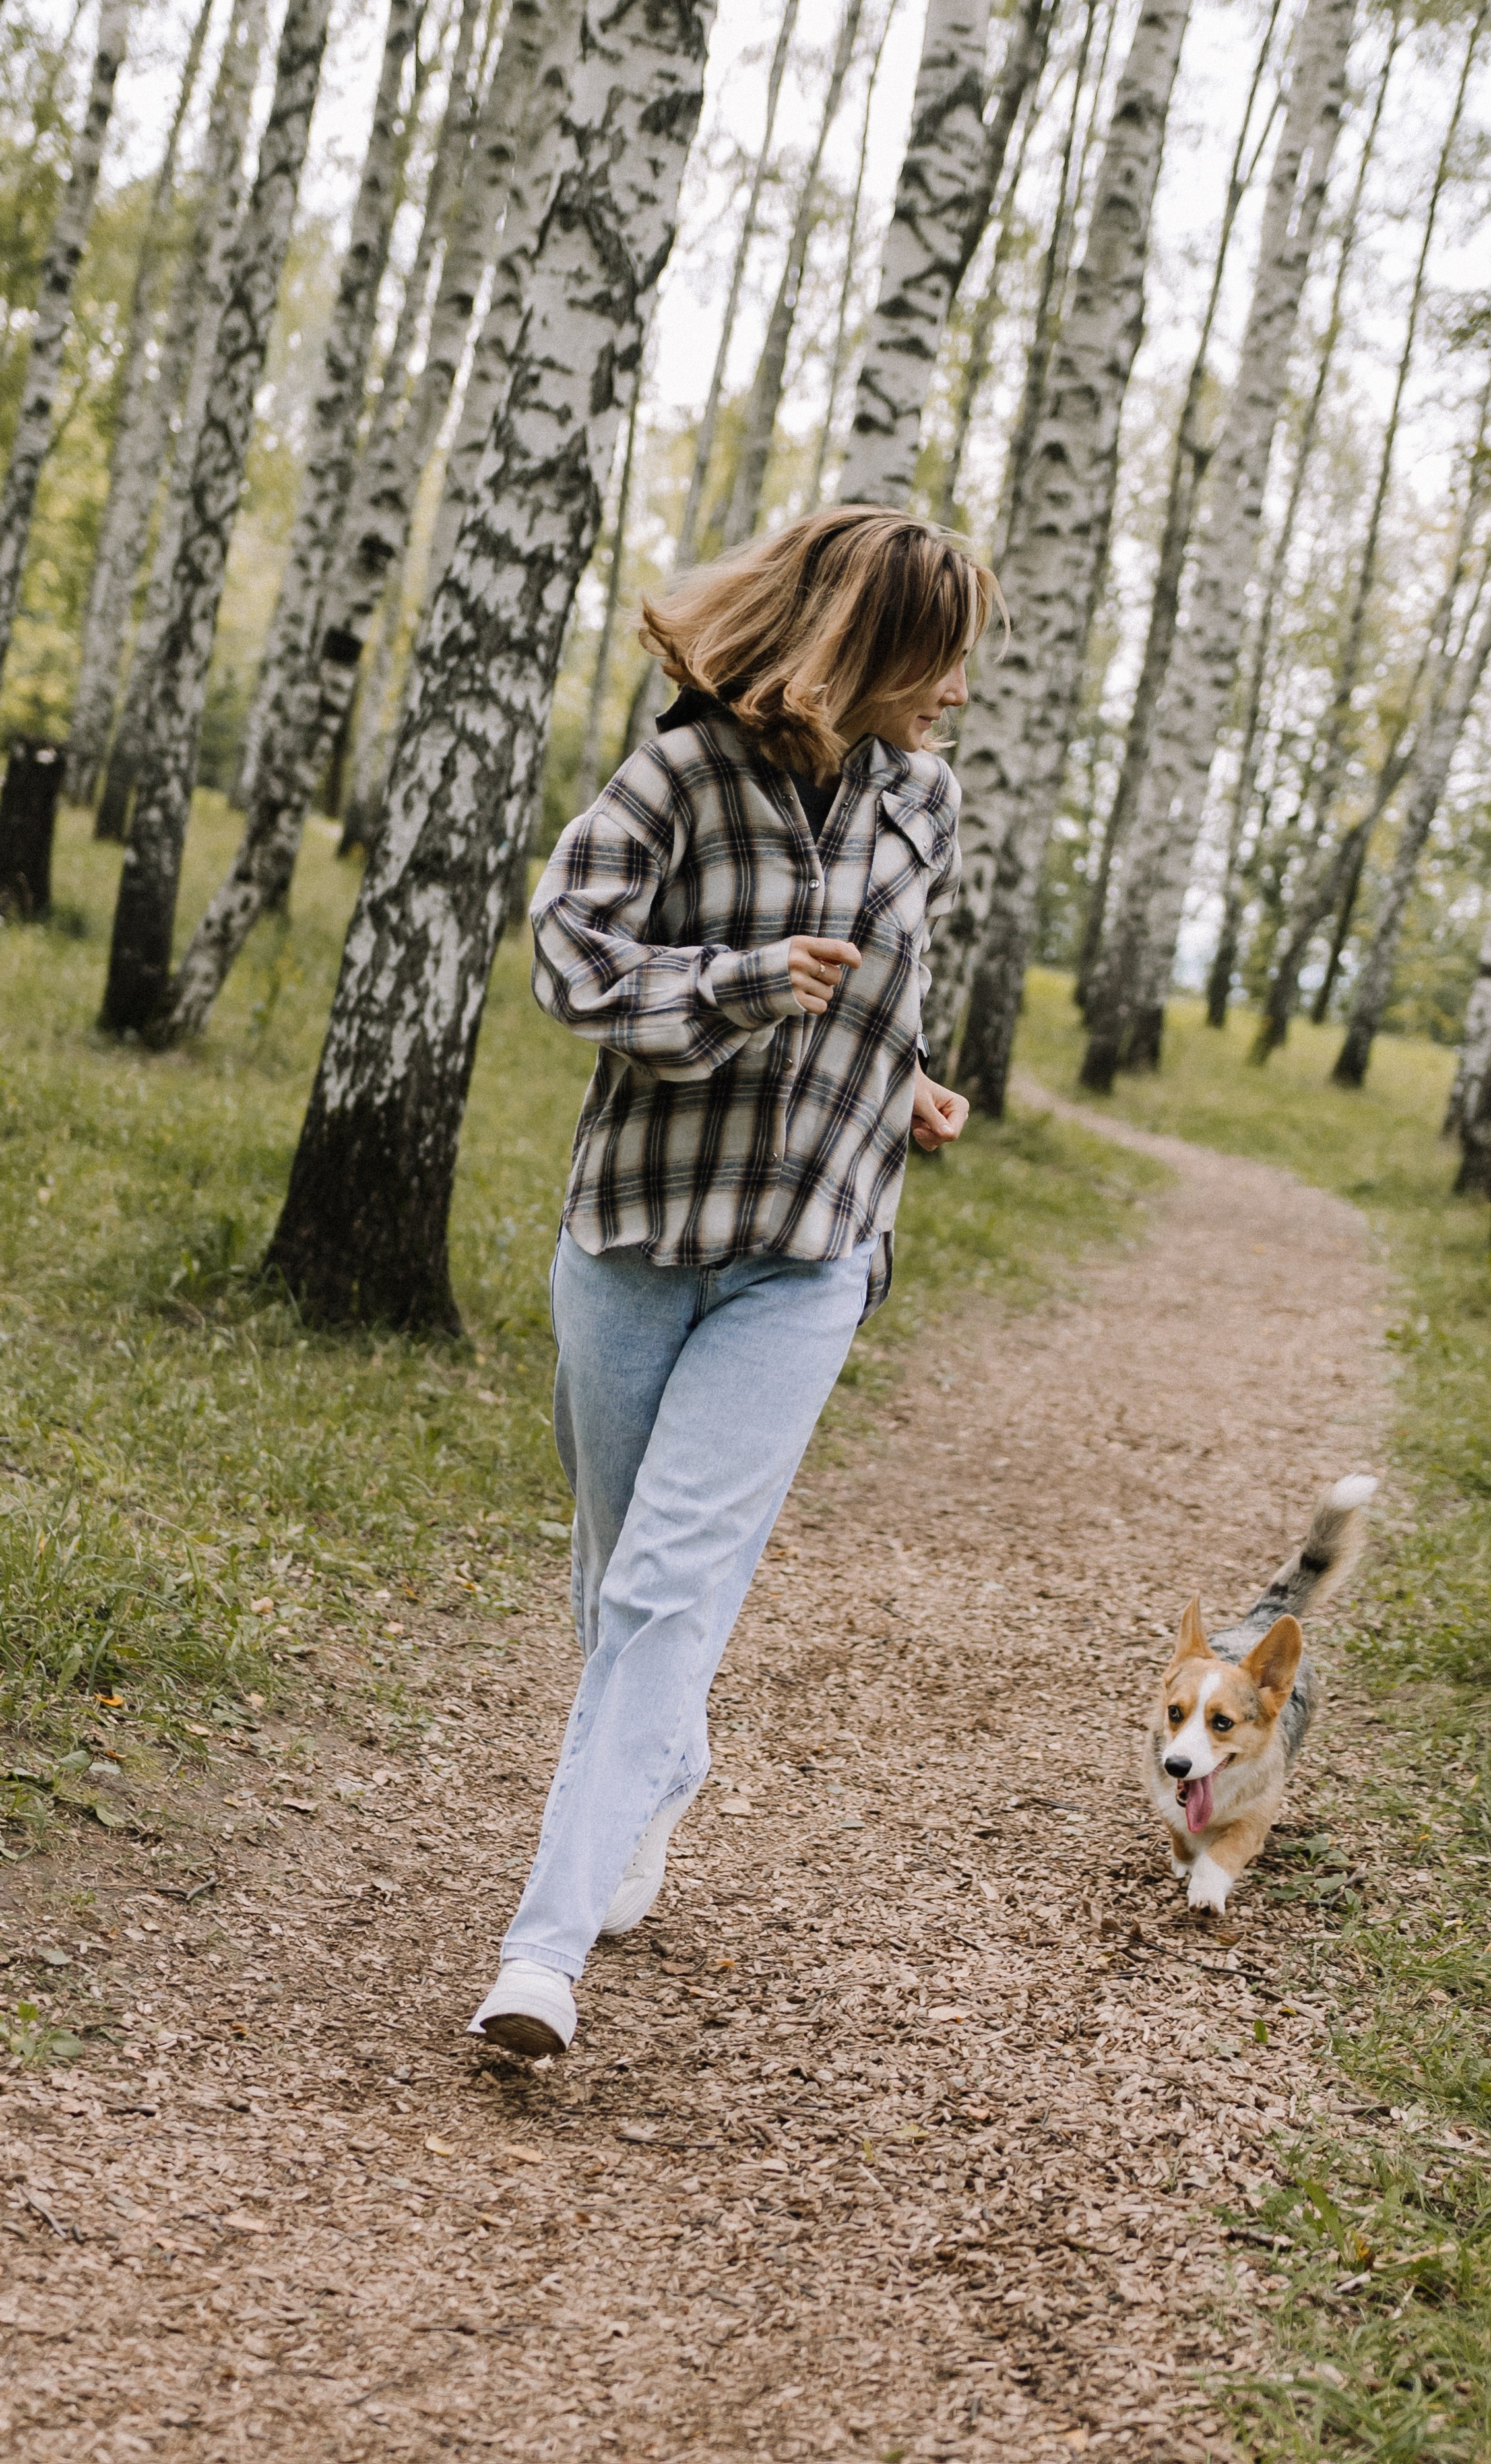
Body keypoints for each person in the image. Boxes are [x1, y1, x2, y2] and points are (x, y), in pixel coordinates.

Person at [468, 505, 1005, 2058]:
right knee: (614, 1573)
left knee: (663, 1587)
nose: (957, 689)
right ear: (868, 649)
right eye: (940, 656)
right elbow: (569, 957)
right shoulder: (681, 776)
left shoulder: (927, 804)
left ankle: (540, 1951)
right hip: (634, 1237)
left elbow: (887, 990)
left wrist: (903, 1084)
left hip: (810, 1255)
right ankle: (655, 1768)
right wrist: (737, 987)